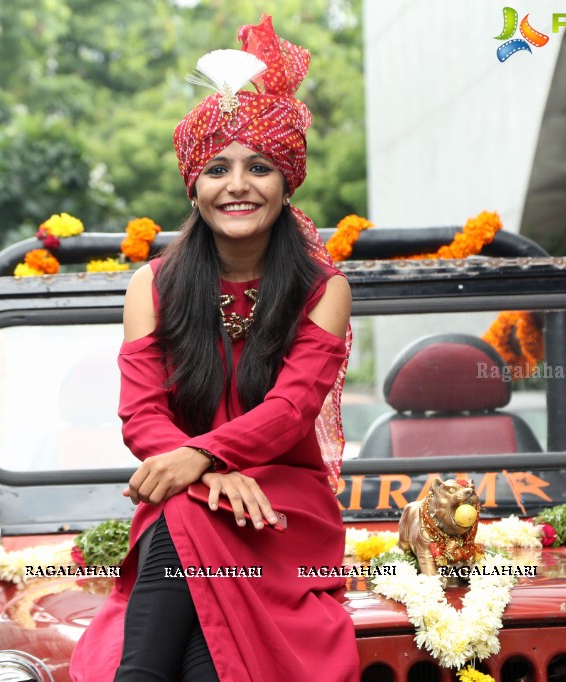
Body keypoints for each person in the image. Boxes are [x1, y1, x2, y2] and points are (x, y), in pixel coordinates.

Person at [70, 14, 359, 682]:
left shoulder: (324, 287)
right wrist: (206, 473)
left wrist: (198, 456)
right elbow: (140, 414)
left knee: (177, 512)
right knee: (184, 521)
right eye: (216, 169)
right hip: (187, 492)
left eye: (259, 167)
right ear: (192, 187)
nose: (237, 185)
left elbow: (291, 410)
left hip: (282, 505)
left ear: (286, 181)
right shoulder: (153, 285)